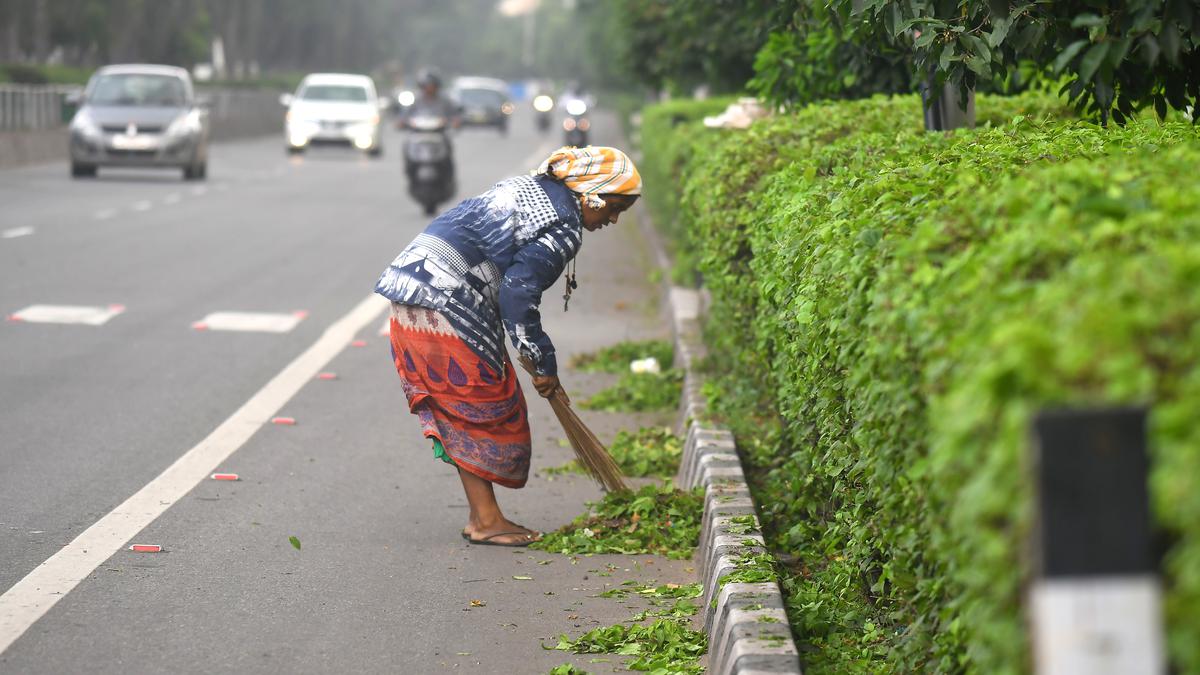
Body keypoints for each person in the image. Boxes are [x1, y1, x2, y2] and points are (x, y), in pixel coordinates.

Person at [375, 147, 642, 547]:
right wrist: (542, 364)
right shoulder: (564, 226)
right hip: (445, 303)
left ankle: (481, 516)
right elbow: (517, 297)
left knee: (474, 404)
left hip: (412, 292)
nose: (613, 219)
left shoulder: (536, 187)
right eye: (615, 207)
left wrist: (535, 360)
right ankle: (486, 520)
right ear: (593, 195)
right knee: (485, 406)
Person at [399, 69, 461, 179]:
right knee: (406, 145)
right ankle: (410, 169)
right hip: (418, 133)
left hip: (439, 133)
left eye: (432, 85)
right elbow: (405, 115)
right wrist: (401, 122)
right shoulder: (415, 100)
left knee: (448, 145)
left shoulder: (445, 100)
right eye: (426, 86)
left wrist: (455, 121)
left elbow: (454, 115)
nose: (429, 88)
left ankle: (448, 173)